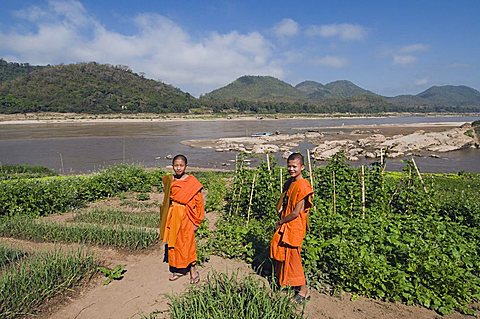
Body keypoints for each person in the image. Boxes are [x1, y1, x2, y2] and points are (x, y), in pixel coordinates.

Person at [270, 152, 314, 303]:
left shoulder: (303, 186)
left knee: (294, 259)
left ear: (302, 167)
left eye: (294, 166)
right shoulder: (290, 183)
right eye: (289, 166)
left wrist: (281, 222)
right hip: (286, 223)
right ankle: (286, 282)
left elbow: (296, 213)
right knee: (282, 254)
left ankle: (303, 290)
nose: (291, 169)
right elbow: (285, 203)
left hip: (294, 226)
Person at [160, 154, 204, 284]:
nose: (178, 168)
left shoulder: (192, 182)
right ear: (172, 166)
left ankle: (193, 270)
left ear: (186, 166)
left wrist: (197, 221)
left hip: (187, 216)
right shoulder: (170, 180)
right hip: (174, 215)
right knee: (174, 244)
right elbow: (167, 200)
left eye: (181, 165)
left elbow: (199, 203)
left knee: (188, 243)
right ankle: (179, 269)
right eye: (176, 165)